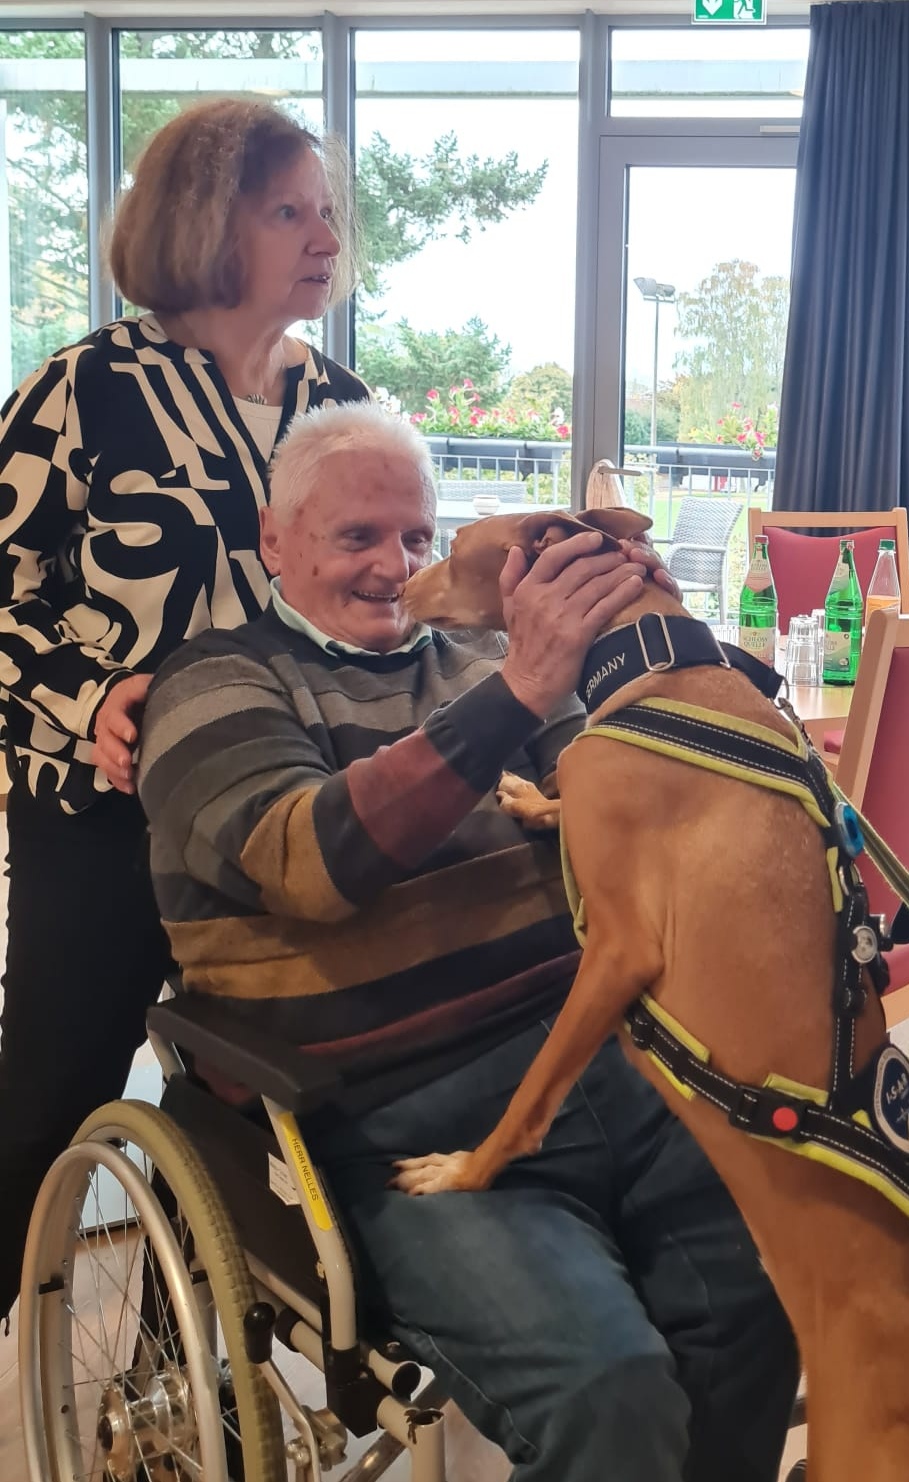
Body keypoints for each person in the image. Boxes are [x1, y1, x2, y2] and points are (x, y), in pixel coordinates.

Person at [137, 400, 799, 1482]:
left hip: (610, 1064)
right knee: (611, 1392)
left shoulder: (471, 663)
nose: (395, 568)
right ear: (274, 541)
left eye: (414, 536)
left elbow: (652, 822)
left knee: (766, 1305)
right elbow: (311, 863)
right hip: (402, 1112)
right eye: (357, 537)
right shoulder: (213, 684)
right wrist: (519, 692)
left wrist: (655, 642)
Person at [0, 97, 370, 1324]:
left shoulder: (338, 402)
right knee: (46, 1099)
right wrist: (84, 701)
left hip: (267, 819)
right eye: (288, 213)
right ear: (210, 223)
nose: (324, 238)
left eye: (327, 213)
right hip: (101, 823)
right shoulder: (83, 390)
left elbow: (378, 579)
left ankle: (173, 1382)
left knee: (233, 1107)